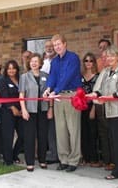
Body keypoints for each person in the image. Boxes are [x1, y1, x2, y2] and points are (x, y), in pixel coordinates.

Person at [89, 45, 118, 179]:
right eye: (107, 56)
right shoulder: (106, 71)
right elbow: (100, 88)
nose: (109, 58)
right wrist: (94, 94)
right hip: (110, 111)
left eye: (112, 56)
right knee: (115, 141)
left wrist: (110, 97)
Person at [43, 34, 81, 172]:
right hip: (58, 96)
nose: (57, 47)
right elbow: (52, 77)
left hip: (71, 95)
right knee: (60, 129)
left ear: (65, 44)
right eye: (54, 45)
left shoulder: (73, 58)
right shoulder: (54, 61)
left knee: (73, 129)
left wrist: (55, 91)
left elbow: (67, 76)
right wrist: (48, 89)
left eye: (59, 44)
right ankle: (63, 159)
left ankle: (74, 160)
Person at [19, 53, 50, 171]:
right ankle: (30, 162)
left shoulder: (46, 76)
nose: (34, 63)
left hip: (43, 109)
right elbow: (21, 94)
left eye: (36, 61)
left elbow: (49, 93)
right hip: (29, 110)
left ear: (40, 63)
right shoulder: (24, 77)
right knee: (29, 137)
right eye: (32, 61)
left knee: (43, 136)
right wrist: (23, 109)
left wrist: (50, 108)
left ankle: (42, 160)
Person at [0, 60, 24, 165]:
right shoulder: (3, 80)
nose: (11, 70)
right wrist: (13, 108)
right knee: (8, 136)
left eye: (13, 68)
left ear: (17, 69)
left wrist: (21, 109)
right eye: (9, 68)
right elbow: (4, 95)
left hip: (21, 111)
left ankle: (14, 154)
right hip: (8, 111)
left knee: (23, 135)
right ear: (6, 70)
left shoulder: (21, 79)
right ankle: (7, 160)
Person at [40, 40, 59, 164]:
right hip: (45, 98)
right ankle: (53, 153)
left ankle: (58, 154)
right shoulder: (44, 63)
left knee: (58, 128)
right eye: (47, 47)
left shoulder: (59, 61)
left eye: (51, 46)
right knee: (50, 128)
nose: (49, 48)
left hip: (58, 96)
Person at [80, 52, 99, 166]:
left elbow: (99, 94)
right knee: (83, 133)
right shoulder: (80, 76)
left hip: (93, 106)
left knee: (93, 133)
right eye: (86, 61)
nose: (88, 63)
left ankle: (94, 158)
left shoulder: (98, 76)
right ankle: (85, 157)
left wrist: (94, 109)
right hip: (81, 107)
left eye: (91, 60)